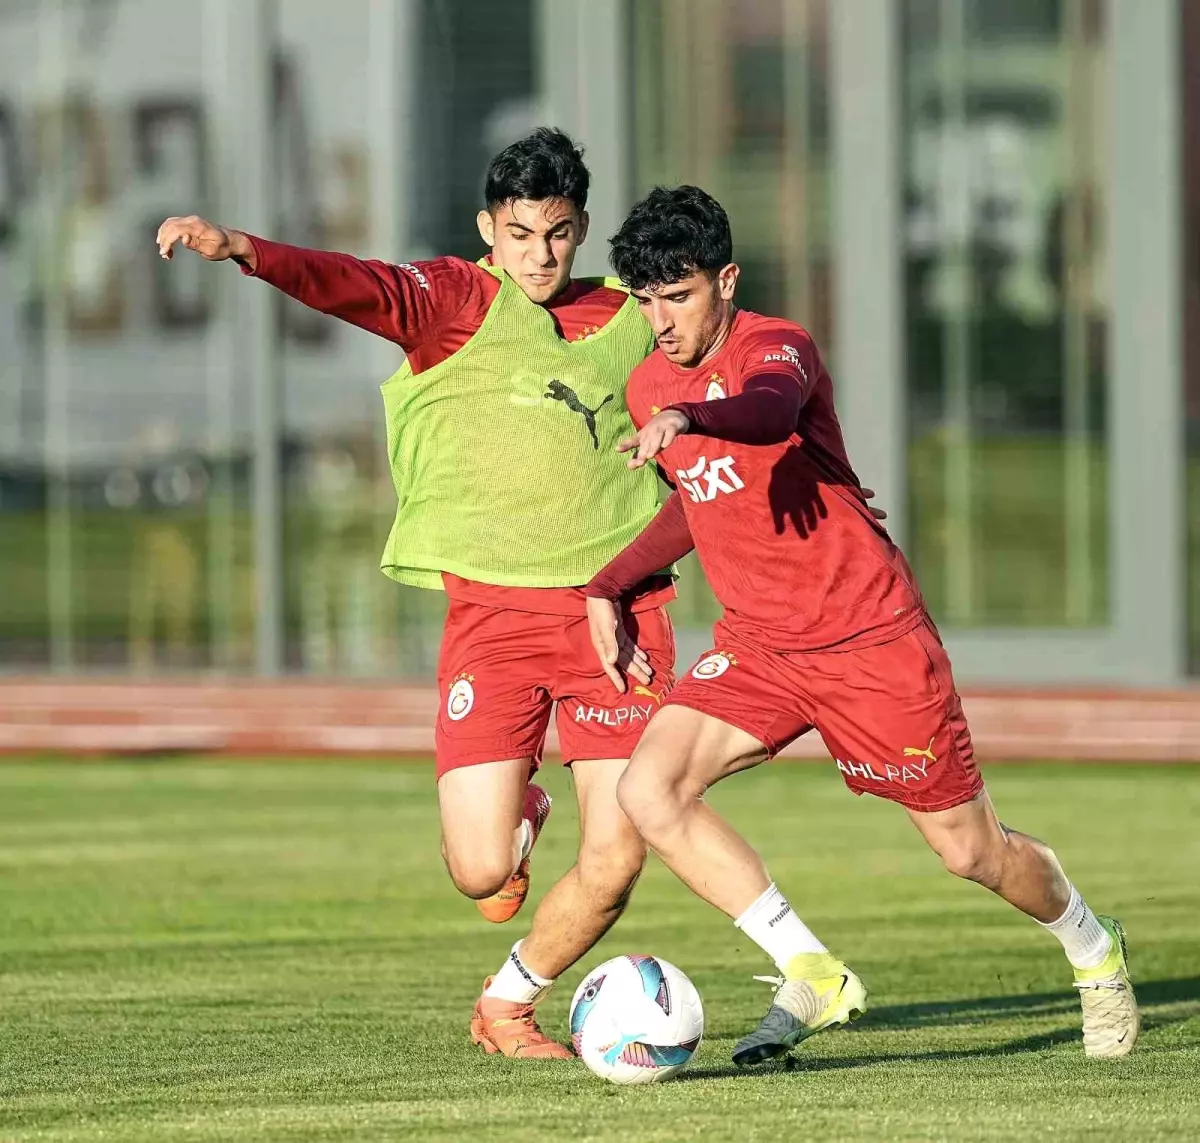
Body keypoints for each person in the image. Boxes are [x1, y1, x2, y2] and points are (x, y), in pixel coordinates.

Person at [584, 185, 1139, 1065]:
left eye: (678, 294)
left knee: (970, 852)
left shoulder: (778, 348)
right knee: (649, 789)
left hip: (869, 641)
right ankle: (812, 968)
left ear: (726, 280)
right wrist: (607, 584)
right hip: (761, 647)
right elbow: (700, 500)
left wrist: (689, 415)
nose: (660, 318)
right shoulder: (651, 378)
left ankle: (1091, 945)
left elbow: (763, 414)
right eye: (646, 298)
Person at [156, 129, 677, 1059]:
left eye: (557, 234)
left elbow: (739, 375)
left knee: (622, 852)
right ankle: (520, 813)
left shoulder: (635, 317)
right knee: (481, 870)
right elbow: (348, 282)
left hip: (616, 621)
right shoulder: (453, 300)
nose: (540, 255)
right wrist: (243, 249)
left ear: (583, 229)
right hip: (491, 621)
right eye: (520, 234)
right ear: (489, 228)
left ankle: (507, 1005)